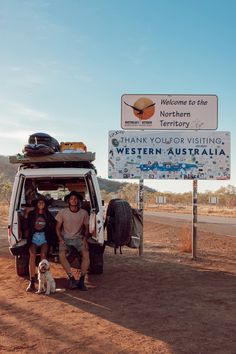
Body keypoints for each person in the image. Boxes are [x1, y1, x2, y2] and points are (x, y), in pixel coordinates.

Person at [55, 191, 90, 291]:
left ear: (78, 200)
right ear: (68, 201)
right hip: (65, 238)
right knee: (61, 255)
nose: (73, 200)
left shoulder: (84, 213)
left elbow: (86, 228)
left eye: (75, 199)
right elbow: (57, 228)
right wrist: (60, 239)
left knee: (86, 254)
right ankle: (71, 278)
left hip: (78, 238)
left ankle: (82, 280)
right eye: (71, 199)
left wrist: (85, 239)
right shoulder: (63, 212)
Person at [26, 195, 55, 292]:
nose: (41, 203)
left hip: (44, 238)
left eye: (43, 202)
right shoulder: (32, 214)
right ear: (37, 204)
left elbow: (53, 225)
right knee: (32, 255)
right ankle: (32, 281)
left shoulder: (47, 214)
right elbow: (26, 225)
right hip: (33, 238)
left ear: (45, 204)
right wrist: (26, 215)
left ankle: (43, 280)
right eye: (39, 202)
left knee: (43, 256)